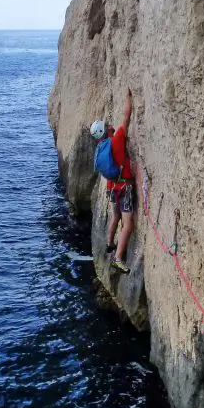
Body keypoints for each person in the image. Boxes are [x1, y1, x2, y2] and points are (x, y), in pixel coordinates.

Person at [90, 87, 134, 274]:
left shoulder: (101, 147)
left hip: (112, 188)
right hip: (124, 188)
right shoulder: (116, 140)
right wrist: (128, 97)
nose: (110, 125)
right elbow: (127, 117)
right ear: (106, 131)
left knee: (115, 215)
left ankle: (109, 243)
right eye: (107, 125)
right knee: (128, 224)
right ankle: (117, 258)